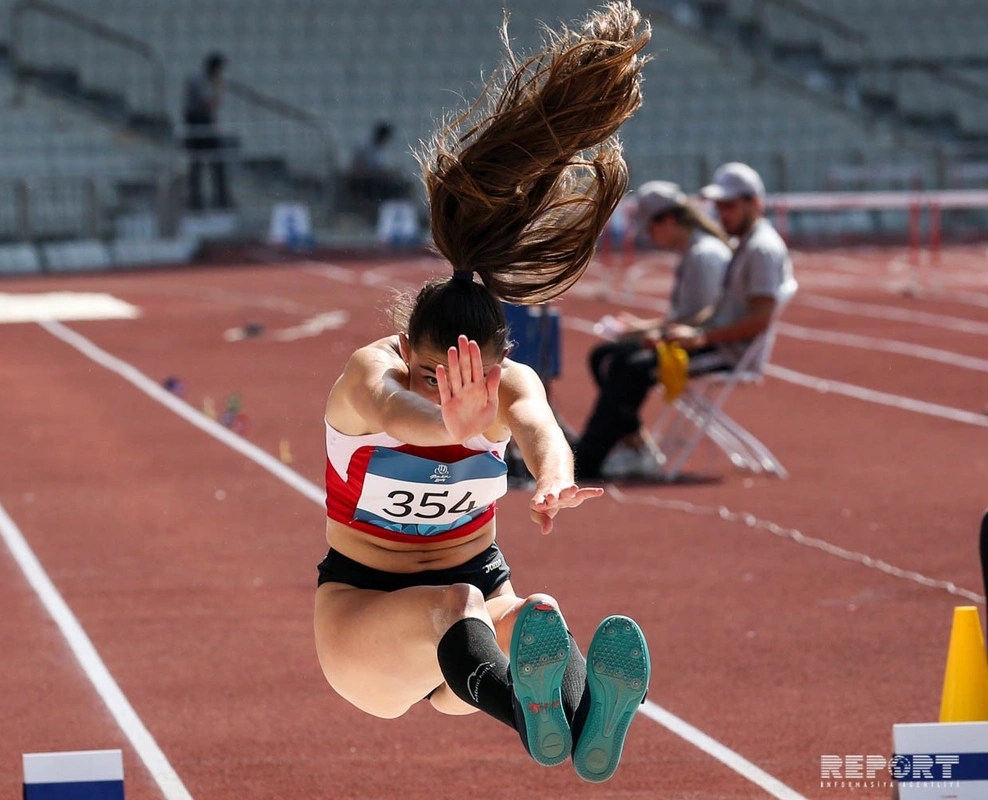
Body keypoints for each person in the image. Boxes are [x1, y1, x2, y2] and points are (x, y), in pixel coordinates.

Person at [315, 2, 651, 784]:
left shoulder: (509, 386)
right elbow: (400, 414)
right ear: (405, 349)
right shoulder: (370, 376)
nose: (455, 391)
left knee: (533, 615)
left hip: (479, 591)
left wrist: (555, 478)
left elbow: (539, 427)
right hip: (367, 617)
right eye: (433, 374)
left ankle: (585, 725)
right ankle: (540, 719)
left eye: (476, 377)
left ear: (504, 360)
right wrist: (448, 424)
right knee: (455, 607)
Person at [574, 162, 795, 481]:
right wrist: (686, 332)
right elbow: (715, 311)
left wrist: (700, 337)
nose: (722, 213)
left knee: (631, 367)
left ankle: (590, 460)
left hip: (727, 352)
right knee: (619, 361)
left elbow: (760, 319)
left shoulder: (760, 249)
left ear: (755, 202)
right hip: (716, 342)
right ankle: (601, 454)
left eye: (730, 205)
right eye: (719, 206)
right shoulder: (746, 244)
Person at [591, 180, 730, 478]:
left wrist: (646, 332)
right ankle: (630, 446)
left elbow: (699, 321)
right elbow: (687, 317)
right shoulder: (695, 252)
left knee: (628, 366)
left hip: (710, 346)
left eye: (650, 229)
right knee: (606, 355)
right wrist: (641, 328)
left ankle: (596, 456)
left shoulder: (704, 255)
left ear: (667, 219)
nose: (650, 237)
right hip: (692, 339)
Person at [183, 52, 231, 210]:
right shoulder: (199, 80)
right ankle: (197, 200)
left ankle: (220, 198)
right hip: (197, 124)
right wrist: (218, 89)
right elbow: (208, 105)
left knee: (215, 162)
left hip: (204, 123)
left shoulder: (202, 79)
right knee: (198, 163)